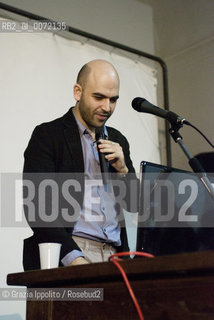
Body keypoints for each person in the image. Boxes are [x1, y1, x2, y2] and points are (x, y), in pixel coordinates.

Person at [23, 59, 137, 270]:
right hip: (71, 252)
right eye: (99, 97)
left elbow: (133, 205)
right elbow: (37, 208)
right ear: (78, 92)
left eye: (113, 100)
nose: (107, 107)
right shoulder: (48, 135)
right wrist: (75, 259)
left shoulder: (118, 140)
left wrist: (123, 171)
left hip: (116, 256)